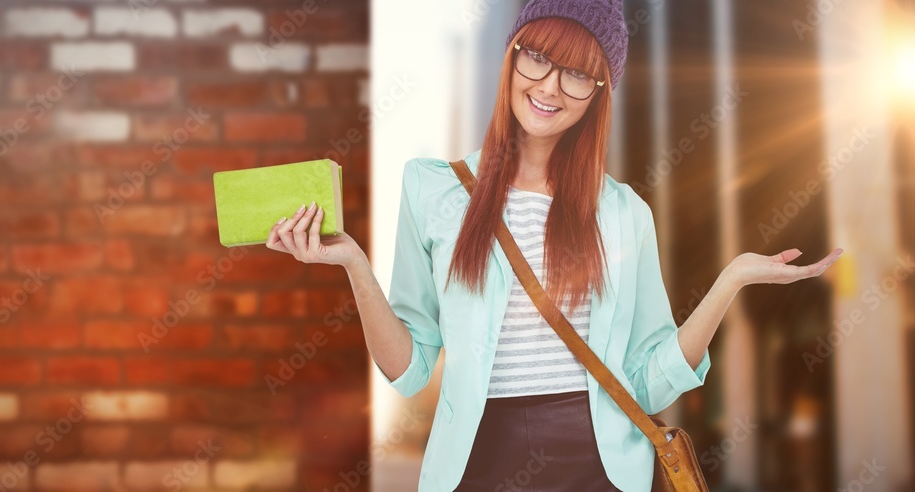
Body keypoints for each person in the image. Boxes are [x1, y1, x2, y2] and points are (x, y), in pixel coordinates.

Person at [265, 0, 844, 490]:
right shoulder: (431, 187)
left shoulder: (624, 214)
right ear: (512, 54)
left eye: (576, 73)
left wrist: (730, 281)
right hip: (475, 459)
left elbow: (646, 380)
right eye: (537, 57)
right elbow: (411, 370)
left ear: (598, 93)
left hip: (597, 464)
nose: (548, 87)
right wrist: (354, 265)